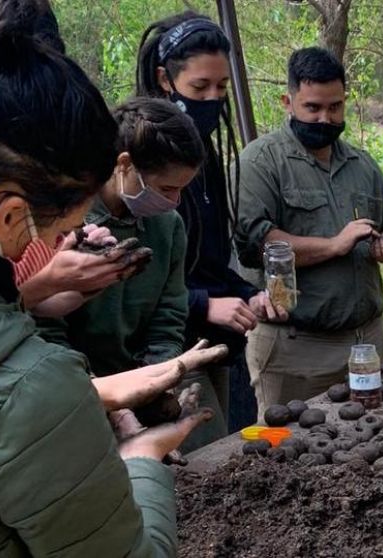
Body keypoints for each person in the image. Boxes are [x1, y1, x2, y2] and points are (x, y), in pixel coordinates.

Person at [0, 1, 212, 554]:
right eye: (70, 226)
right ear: (10, 219)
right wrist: (139, 464)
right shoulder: (31, 389)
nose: (73, 242)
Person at [39, 97, 229, 452]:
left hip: (145, 383)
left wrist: (160, 379)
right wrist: (115, 405)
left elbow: (169, 314)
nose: (174, 201)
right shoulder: (65, 223)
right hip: (76, 395)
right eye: (167, 189)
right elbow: (47, 331)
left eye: (182, 190)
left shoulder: (168, 226)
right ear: (124, 164)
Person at [236, 47, 383, 417]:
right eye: (313, 108)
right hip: (296, 349)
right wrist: (334, 245)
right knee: (289, 455)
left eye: (335, 108)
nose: (325, 118)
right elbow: (257, 244)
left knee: (372, 445)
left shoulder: (363, 165)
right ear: (288, 101)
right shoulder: (259, 162)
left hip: (365, 344)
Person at [137, 12, 268, 432]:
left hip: (222, 346)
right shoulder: (140, 163)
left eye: (222, 87)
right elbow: (138, 280)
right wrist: (204, 304)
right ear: (164, 80)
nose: (213, 98)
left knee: (245, 447)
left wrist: (248, 293)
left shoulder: (206, 154)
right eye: (200, 87)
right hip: (168, 354)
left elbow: (207, 262)